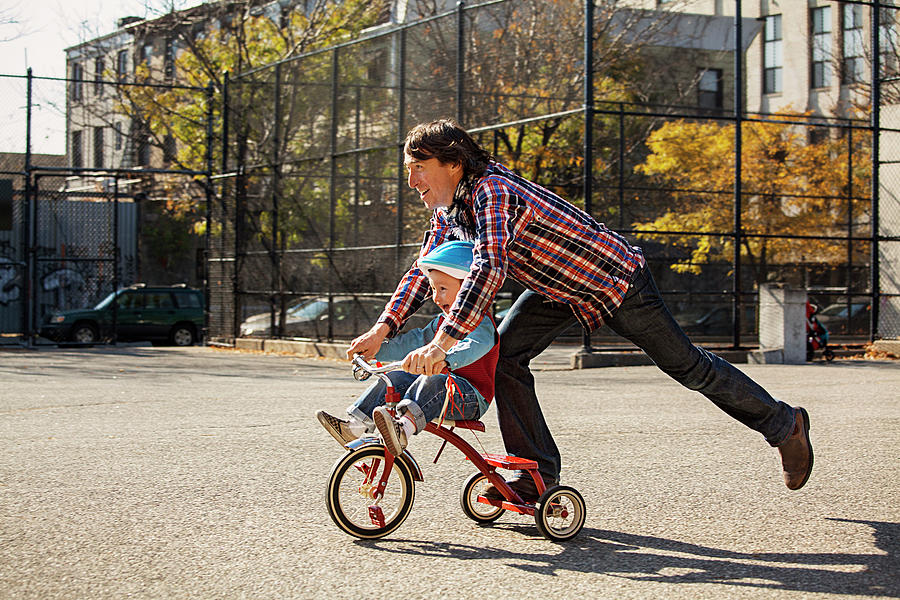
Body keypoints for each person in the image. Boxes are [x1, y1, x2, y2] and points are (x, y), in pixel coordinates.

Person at [348, 118, 813, 499]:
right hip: (559, 291)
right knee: (507, 359)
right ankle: (535, 478)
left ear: (452, 163)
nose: (411, 182)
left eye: (418, 168)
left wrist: (443, 340)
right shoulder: (449, 208)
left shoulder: (492, 192)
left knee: (688, 367)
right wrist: (381, 330)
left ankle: (783, 423)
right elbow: (423, 269)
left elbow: (488, 267)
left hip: (615, 282)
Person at [318, 240, 499, 457]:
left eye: (442, 289)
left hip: (471, 397)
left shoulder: (481, 322)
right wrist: (378, 351)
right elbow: (415, 340)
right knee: (397, 375)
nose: (436, 296)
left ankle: (402, 429)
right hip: (441, 390)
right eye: (433, 289)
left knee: (432, 379)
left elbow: (476, 346)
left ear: (468, 291)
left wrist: (446, 358)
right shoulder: (441, 323)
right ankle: (355, 427)